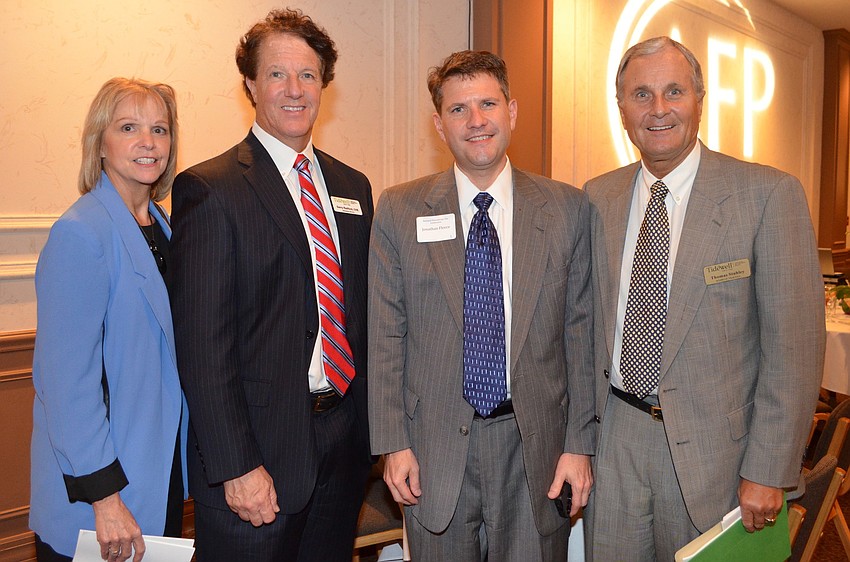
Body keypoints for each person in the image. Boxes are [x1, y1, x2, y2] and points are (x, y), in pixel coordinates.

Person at [584, 36, 825, 560]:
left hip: (721, 456)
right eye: (641, 94)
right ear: (621, 108)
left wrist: (768, 469)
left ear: (700, 98)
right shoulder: (596, 197)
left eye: (674, 91)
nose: (659, 108)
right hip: (615, 442)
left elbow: (795, 351)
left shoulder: (767, 195)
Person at [368, 50, 595, 561]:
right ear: (438, 124)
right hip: (433, 454)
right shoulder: (400, 210)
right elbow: (385, 335)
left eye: (488, 104)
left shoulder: (566, 208)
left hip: (536, 449)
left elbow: (582, 335)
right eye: (458, 109)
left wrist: (579, 445)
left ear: (511, 111)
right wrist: (393, 444)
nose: (476, 121)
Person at [168, 8, 373, 562]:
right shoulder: (210, 190)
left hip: (342, 449)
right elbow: (203, 348)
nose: (294, 89)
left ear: (324, 86)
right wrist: (236, 465)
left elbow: (361, 317)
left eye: (308, 75)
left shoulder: (354, 187)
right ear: (251, 86)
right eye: (277, 74)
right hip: (256, 459)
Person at [29, 77, 187, 562]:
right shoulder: (81, 234)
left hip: (157, 471)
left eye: (159, 129)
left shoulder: (163, 226)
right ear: (99, 143)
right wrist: (105, 498)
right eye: (129, 127)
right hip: (102, 493)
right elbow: (66, 385)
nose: (147, 142)